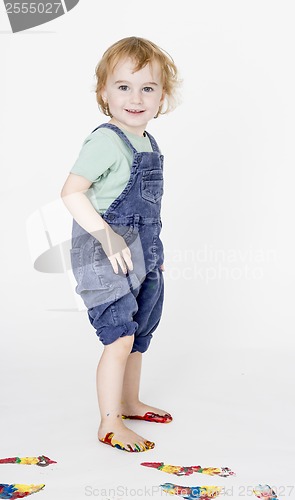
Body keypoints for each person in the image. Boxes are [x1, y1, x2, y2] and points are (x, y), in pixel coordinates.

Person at [61, 36, 180, 452]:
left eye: (147, 87)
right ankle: (109, 422)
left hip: (142, 254)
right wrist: (108, 237)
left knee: (140, 331)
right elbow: (72, 192)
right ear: (104, 93)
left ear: (161, 97)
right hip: (102, 251)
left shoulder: (148, 142)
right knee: (119, 336)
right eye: (123, 86)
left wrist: (156, 255)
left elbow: (149, 213)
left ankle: (129, 402)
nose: (135, 97)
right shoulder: (106, 140)